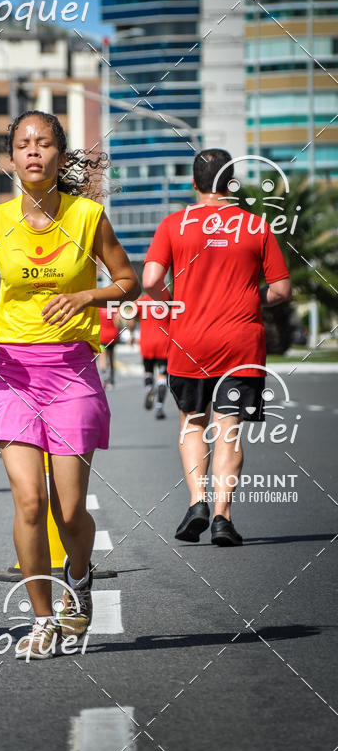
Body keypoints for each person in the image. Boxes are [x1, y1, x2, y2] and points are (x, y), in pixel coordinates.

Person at [0, 111, 139, 659]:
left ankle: (78, 580)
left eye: (43, 144)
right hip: (13, 370)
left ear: (61, 156)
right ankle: (41, 618)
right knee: (30, 502)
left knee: (68, 509)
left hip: (72, 371)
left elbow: (127, 281)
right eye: (22, 144)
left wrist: (88, 297)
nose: (33, 152)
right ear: (10, 159)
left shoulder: (88, 217)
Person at [143, 148, 291, 547]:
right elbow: (281, 289)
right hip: (240, 343)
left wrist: (171, 298)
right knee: (229, 430)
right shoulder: (256, 226)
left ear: (194, 184)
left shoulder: (175, 224)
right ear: (232, 184)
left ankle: (197, 503)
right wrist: (249, 297)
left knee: (193, 423)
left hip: (190, 341)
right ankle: (223, 517)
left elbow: (151, 277)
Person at [137, 293, 169, 419]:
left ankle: (149, 388)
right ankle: (159, 407)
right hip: (163, 344)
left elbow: (128, 317)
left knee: (148, 372)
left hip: (146, 343)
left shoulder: (143, 300)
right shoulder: (167, 300)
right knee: (162, 377)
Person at [97, 306, 120, 388]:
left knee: (102, 357)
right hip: (112, 336)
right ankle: (112, 378)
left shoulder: (98, 308)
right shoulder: (114, 308)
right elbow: (117, 321)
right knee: (111, 357)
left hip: (102, 337)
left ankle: (104, 377)